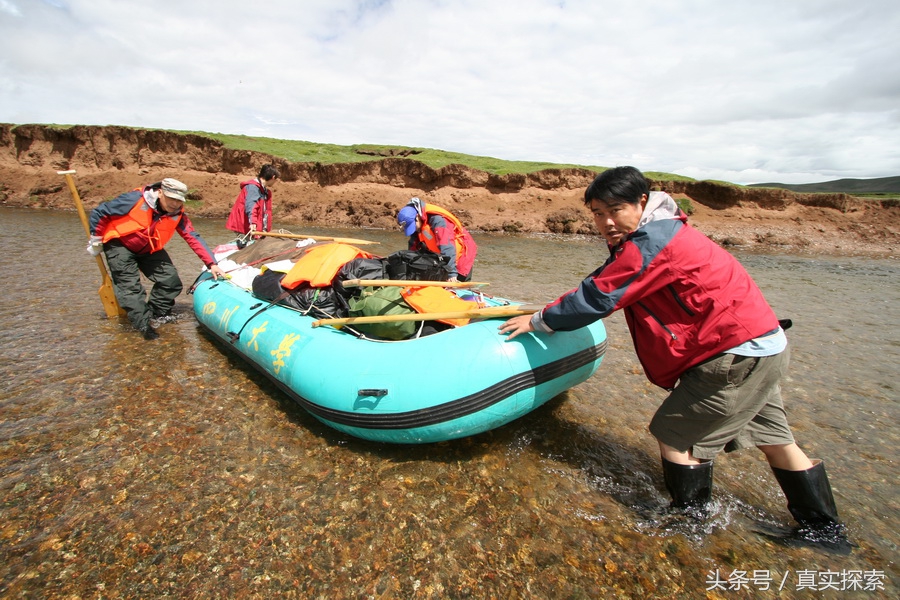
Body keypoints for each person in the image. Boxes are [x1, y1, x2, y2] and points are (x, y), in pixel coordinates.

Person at [499, 166, 847, 548]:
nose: (607, 222)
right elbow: (607, 278)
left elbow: (600, 296)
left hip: (733, 354)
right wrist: (553, 308)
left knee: (673, 435)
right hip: (760, 346)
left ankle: (690, 521)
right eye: (598, 213)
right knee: (775, 438)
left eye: (616, 209)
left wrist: (539, 321)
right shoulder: (663, 230)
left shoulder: (655, 241)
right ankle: (824, 529)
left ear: (642, 202)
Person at [88, 178, 225, 340]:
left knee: (170, 281)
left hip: (149, 248)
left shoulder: (178, 214)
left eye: (179, 200)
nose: (175, 204)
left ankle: (156, 315)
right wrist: (96, 239)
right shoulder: (133, 200)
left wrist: (211, 263)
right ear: (160, 192)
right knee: (131, 289)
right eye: (171, 198)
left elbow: (192, 237)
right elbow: (100, 212)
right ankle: (143, 326)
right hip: (120, 244)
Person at [397, 197, 478, 282]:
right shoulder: (418, 223)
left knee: (455, 284)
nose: (414, 230)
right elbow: (413, 248)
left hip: (460, 256)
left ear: (417, 217)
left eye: (413, 226)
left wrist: (451, 273)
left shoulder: (438, 220)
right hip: (441, 257)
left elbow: (447, 246)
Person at [226, 164, 280, 236]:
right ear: (273, 177)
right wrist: (253, 223)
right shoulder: (253, 188)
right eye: (276, 180)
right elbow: (251, 206)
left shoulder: (263, 190)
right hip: (245, 227)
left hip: (252, 227)